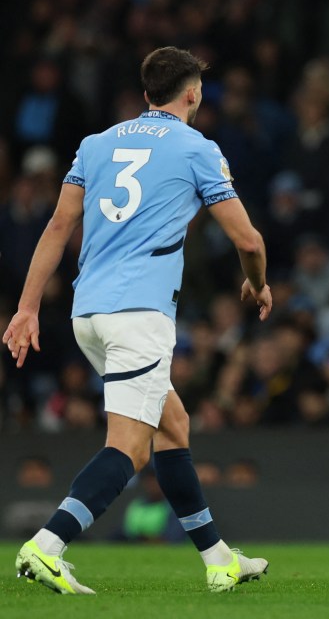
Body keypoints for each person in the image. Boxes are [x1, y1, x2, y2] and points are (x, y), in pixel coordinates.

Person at [3, 47, 273, 595]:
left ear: (147, 92)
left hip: (88, 313)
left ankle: (219, 559)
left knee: (172, 425)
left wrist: (27, 307)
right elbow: (248, 238)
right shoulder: (198, 148)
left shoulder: (95, 144)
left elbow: (57, 227)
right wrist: (258, 281)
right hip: (139, 314)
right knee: (128, 446)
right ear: (192, 93)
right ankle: (46, 546)